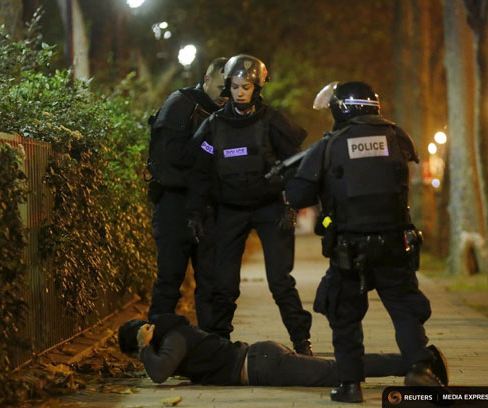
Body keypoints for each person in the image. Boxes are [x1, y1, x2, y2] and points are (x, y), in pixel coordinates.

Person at [285, 81, 447, 402]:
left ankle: (349, 386)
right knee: (404, 307)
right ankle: (419, 369)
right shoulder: (398, 137)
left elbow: (297, 194)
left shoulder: (329, 145)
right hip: (394, 243)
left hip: (350, 248)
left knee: (343, 312)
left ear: (339, 109)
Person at [186, 54, 313, 355]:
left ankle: (301, 341)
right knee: (224, 284)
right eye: (235, 86)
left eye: (246, 86)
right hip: (229, 210)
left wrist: (292, 205)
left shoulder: (273, 121)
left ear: (258, 87)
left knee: (280, 281)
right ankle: (218, 343)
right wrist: (195, 211)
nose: (240, 92)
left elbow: (297, 167)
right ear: (228, 86)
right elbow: (200, 172)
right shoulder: (213, 126)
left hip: (269, 208)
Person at [117, 314, 448, 388]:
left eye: (136, 351)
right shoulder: (174, 338)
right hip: (262, 361)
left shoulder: (173, 337)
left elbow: (158, 372)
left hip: (263, 364)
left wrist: (144, 349)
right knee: (337, 368)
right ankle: (416, 360)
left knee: (338, 370)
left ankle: (419, 359)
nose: (140, 358)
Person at [146, 58, 228, 331]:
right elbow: (169, 155)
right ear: (206, 80)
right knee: (169, 278)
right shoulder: (180, 104)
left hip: (209, 207)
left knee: (212, 283)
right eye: (220, 86)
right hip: (175, 203)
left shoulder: (229, 111)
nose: (225, 94)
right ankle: (157, 345)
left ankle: (215, 350)